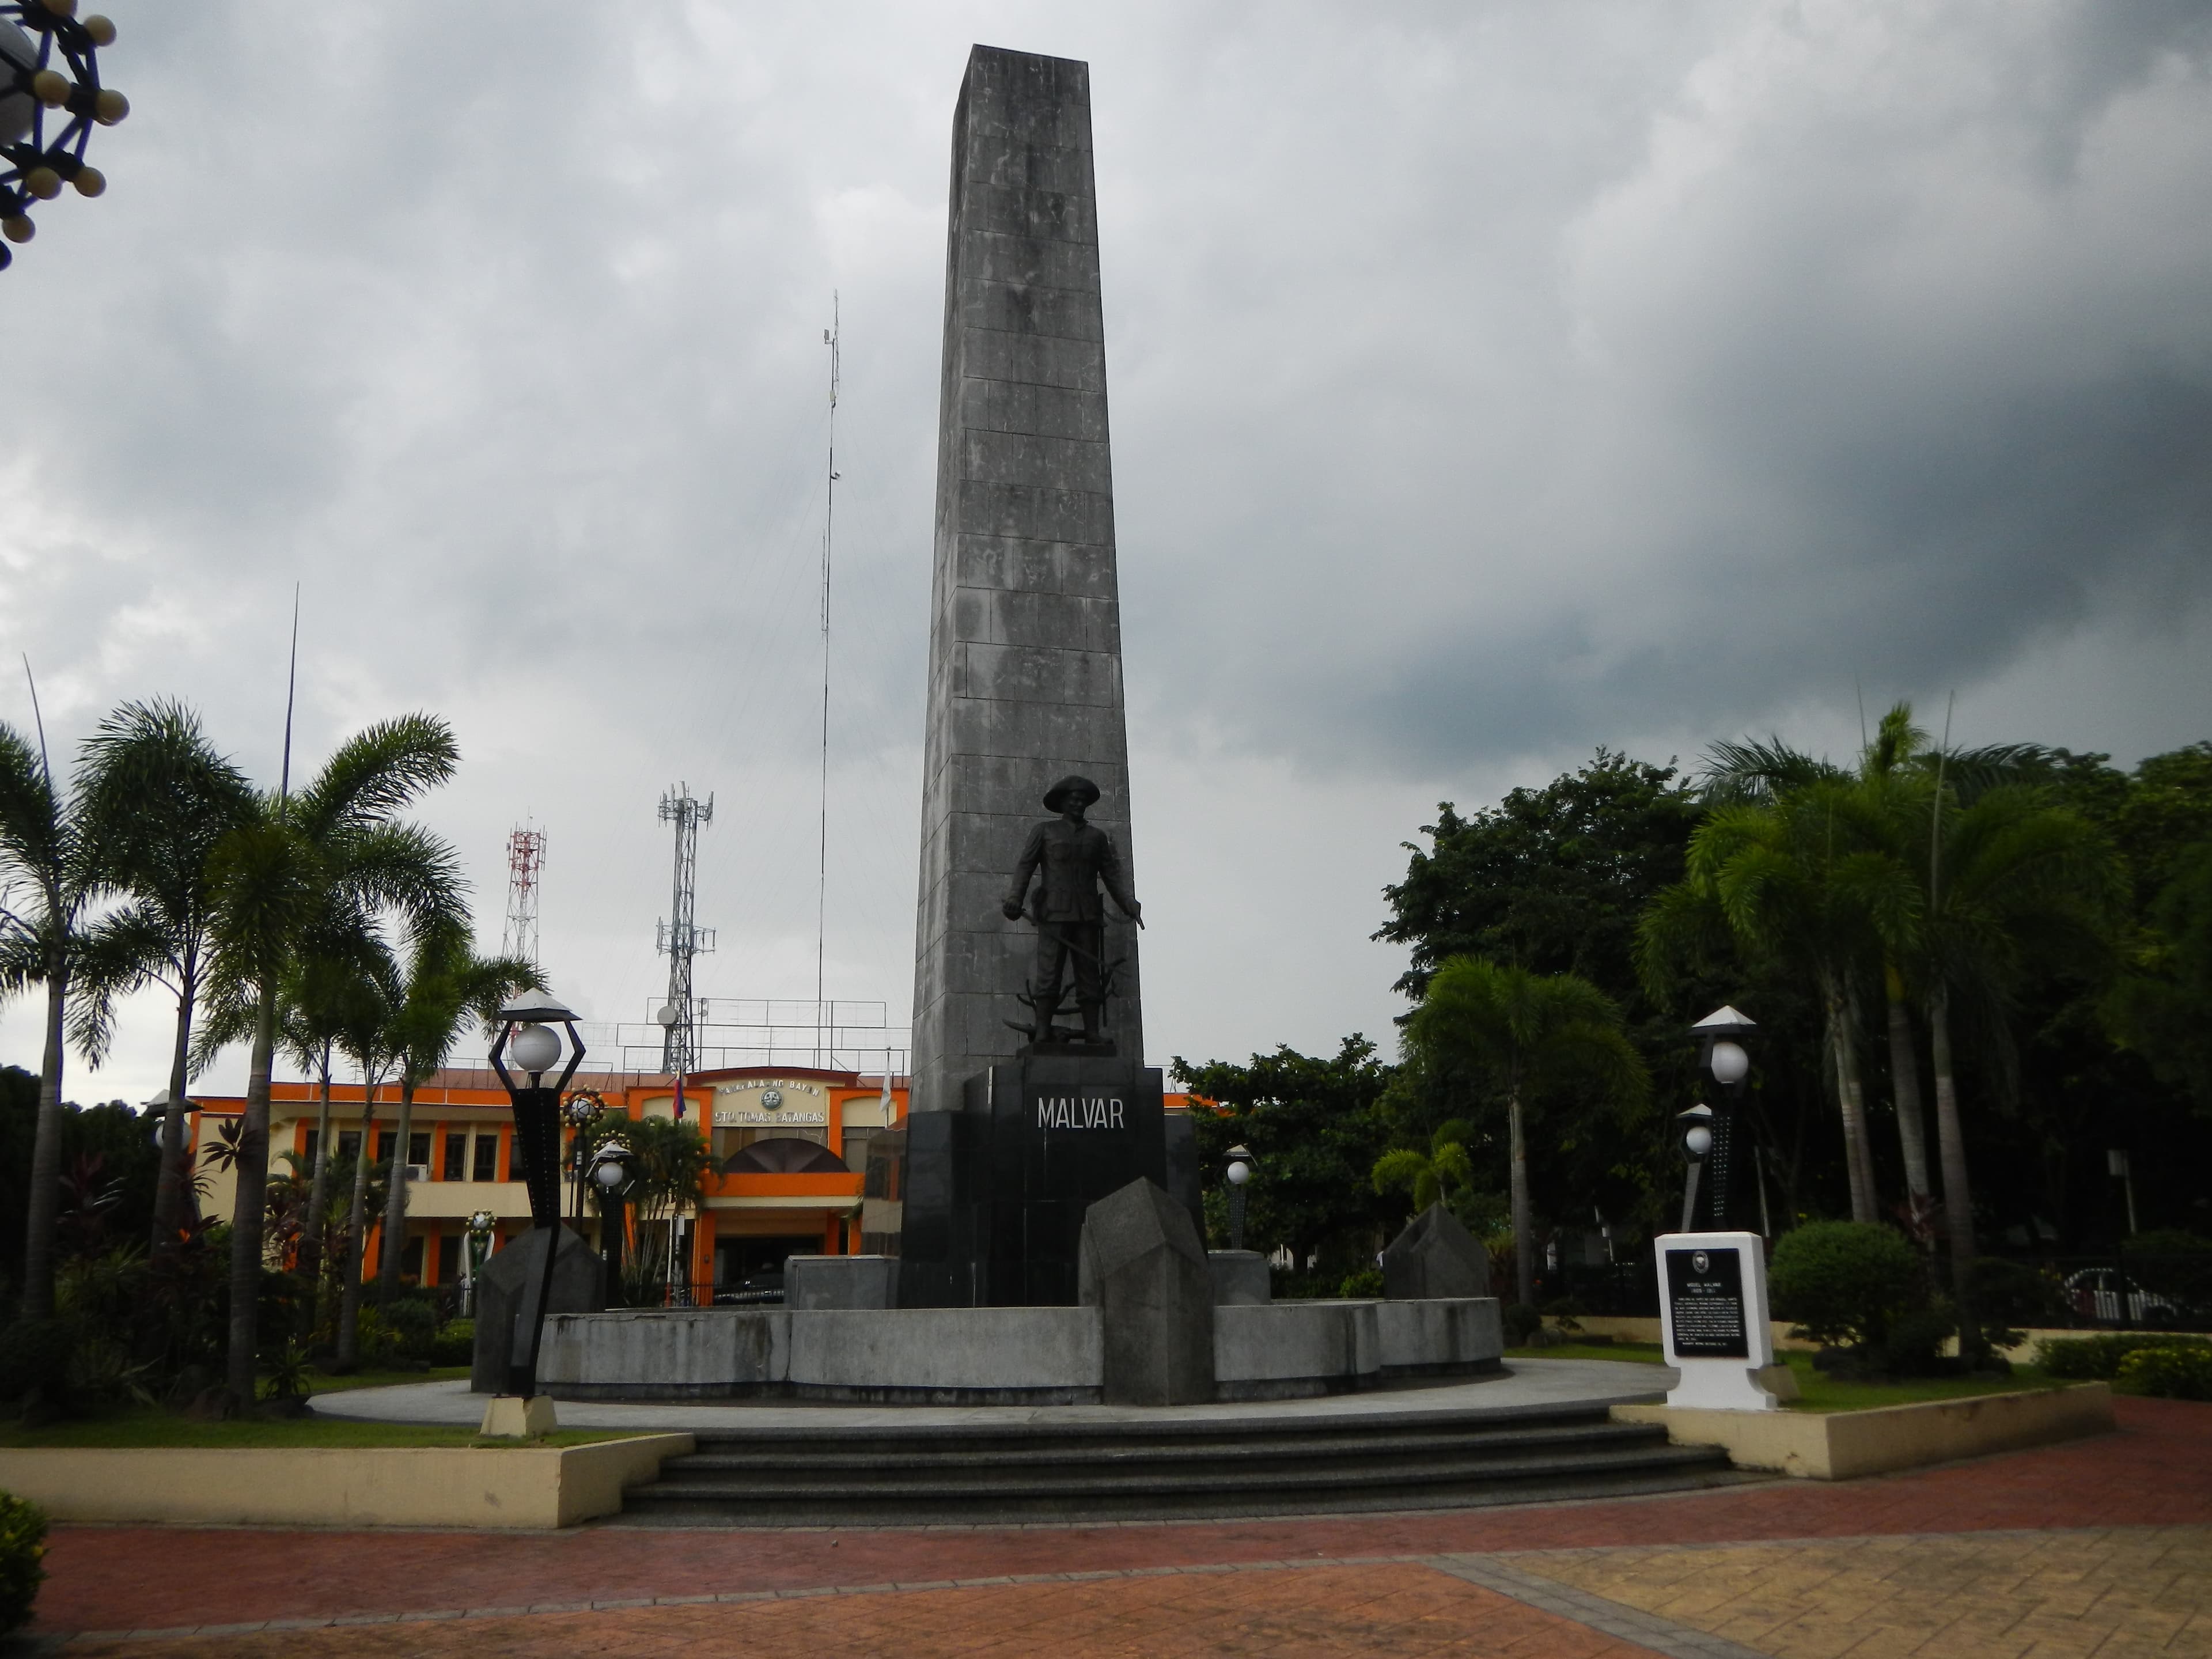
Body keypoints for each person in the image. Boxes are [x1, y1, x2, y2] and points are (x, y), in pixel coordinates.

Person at [1001, 774, 1142, 1045]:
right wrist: (1015, 898)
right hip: (1054, 913)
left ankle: (1092, 1033)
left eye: (1082, 801)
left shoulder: (1097, 838)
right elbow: (1025, 867)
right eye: (1073, 799)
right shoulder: (1044, 832)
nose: (1078, 804)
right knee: (1049, 971)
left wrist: (1129, 904)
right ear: (1063, 803)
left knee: (1089, 974)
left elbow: (1111, 876)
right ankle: (1042, 1031)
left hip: (1087, 915)